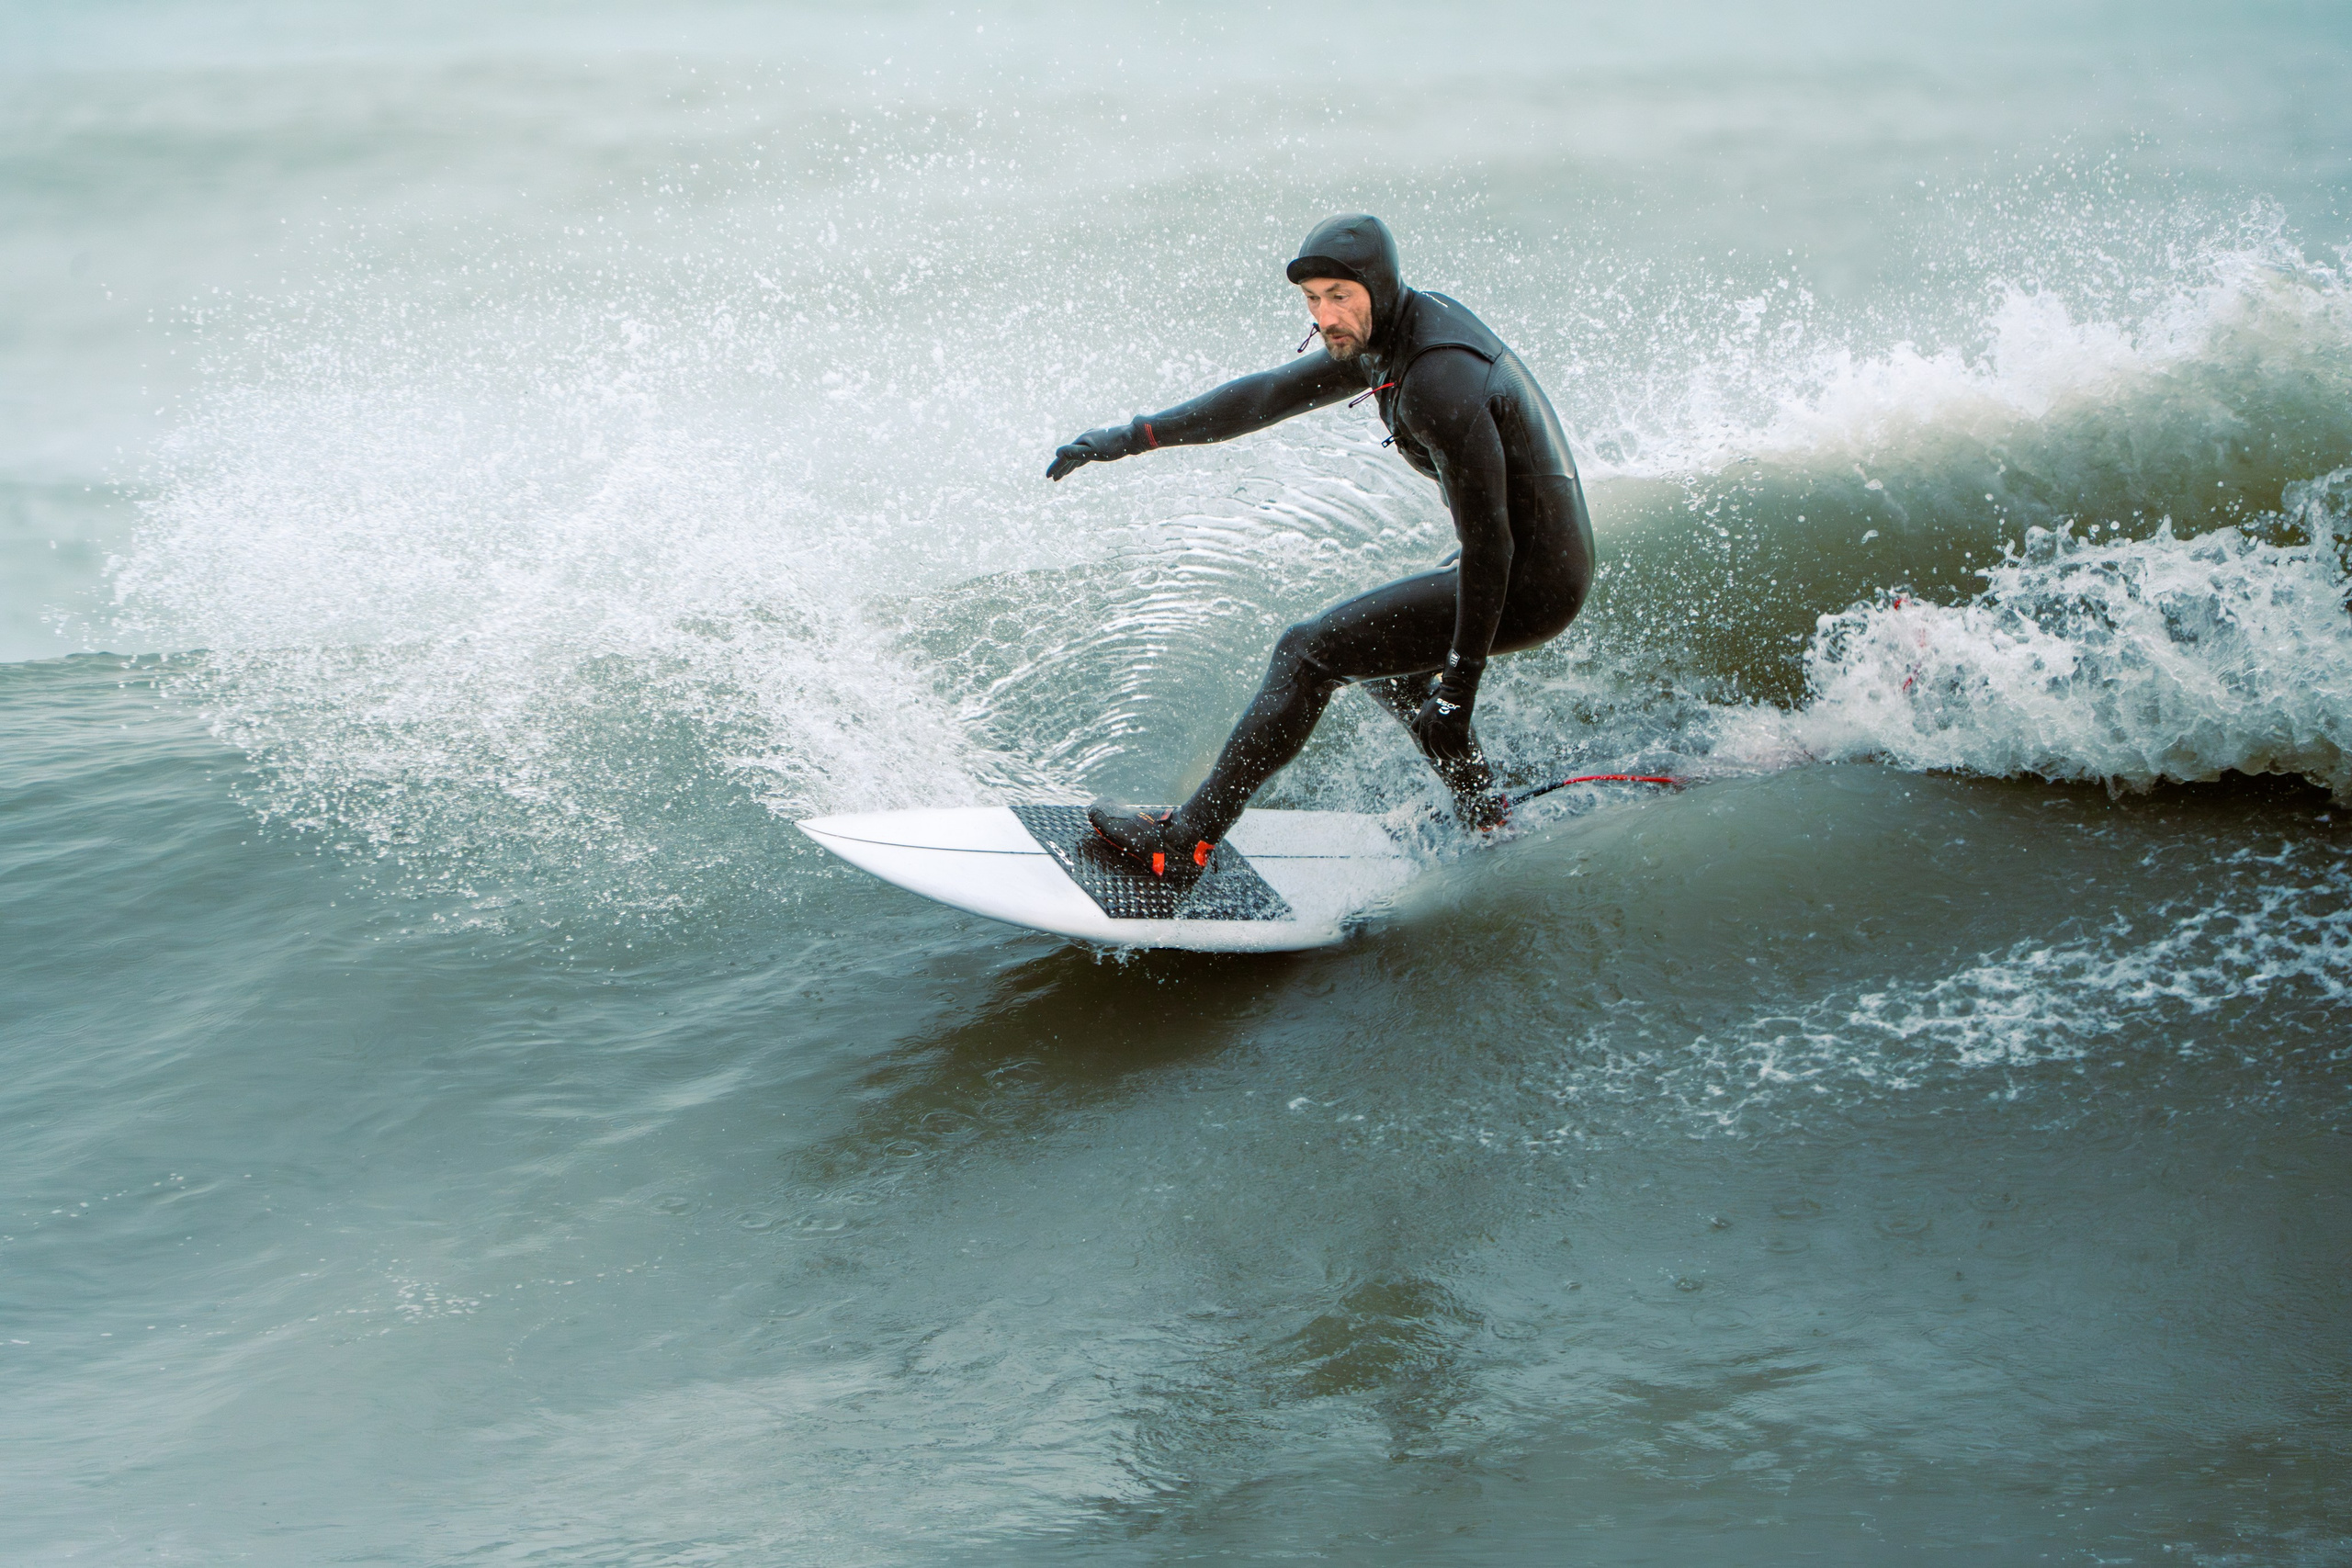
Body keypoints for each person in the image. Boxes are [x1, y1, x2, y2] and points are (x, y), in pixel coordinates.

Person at [1047, 213, 1594, 879]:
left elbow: (1492, 547)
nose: (1326, 315)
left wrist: (1459, 690)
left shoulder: (1439, 381)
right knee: (1382, 659)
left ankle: (1183, 842)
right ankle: (1485, 813)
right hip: (1517, 558)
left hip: (1530, 576)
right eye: (1313, 300)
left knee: (1307, 652)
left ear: (1379, 288)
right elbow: (1268, 396)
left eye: (1340, 295)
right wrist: (1131, 437)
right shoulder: (1385, 336)